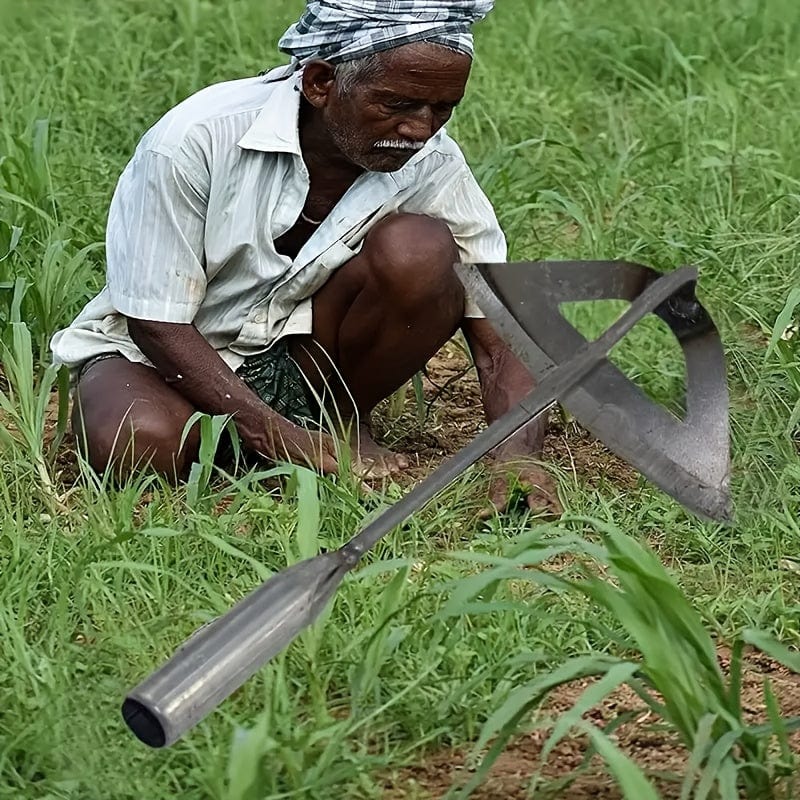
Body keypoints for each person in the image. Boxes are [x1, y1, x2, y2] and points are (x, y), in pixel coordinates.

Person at [50, 0, 561, 515]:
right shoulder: (197, 138)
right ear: (320, 83)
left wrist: (519, 457)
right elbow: (155, 324)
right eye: (397, 105)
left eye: (442, 109)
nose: (420, 129)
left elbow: (502, 335)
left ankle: (337, 422)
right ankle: (275, 444)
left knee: (420, 249)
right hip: (164, 361)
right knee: (139, 440)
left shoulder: (431, 161)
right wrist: (273, 434)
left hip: (302, 361)